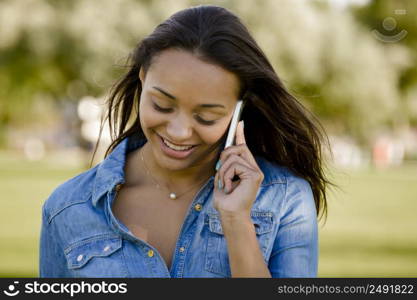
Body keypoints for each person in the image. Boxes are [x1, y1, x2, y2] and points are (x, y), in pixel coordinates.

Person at [39, 5, 332, 278]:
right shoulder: (68, 208)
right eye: (162, 106)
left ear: (239, 109)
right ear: (143, 78)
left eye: (206, 117)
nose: (179, 132)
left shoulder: (285, 199)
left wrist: (236, 222)